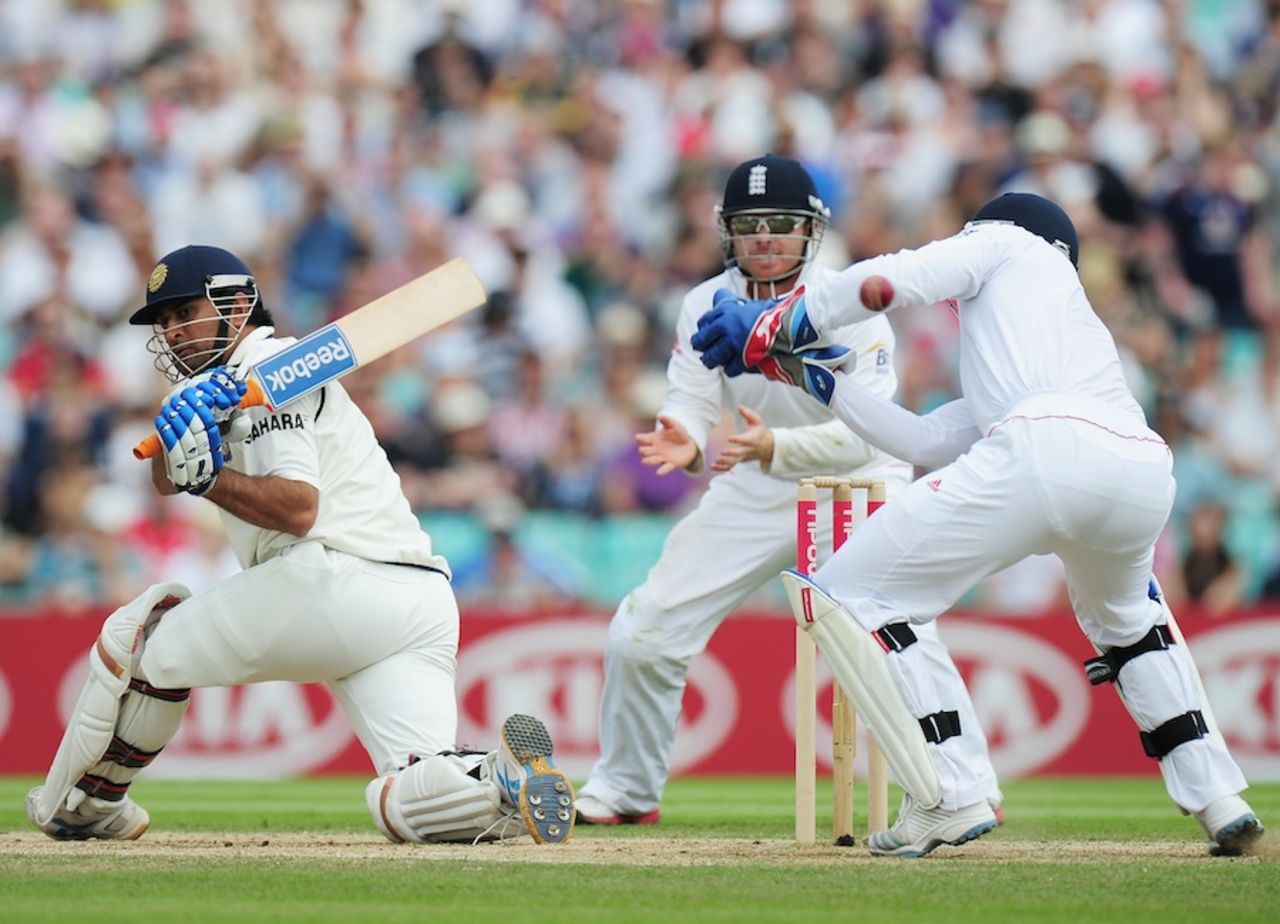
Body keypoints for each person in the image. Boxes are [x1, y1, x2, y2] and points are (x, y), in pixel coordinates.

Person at [691, 192, 1265, 858]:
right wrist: (810, 377)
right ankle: (1220, 799)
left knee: (849, 591)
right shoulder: (1060, 344)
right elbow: (924, 440)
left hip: (1043, 451)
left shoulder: (1008, 243)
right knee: (1131, 625)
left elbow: (887, 282)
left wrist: (774, 322)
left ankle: (952, 791)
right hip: (1137, 471)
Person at [25, 244, 575, 846]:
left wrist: (207, 479)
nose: (171, 332)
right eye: (164, 322)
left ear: (236, 305)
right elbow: (165, 475)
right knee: (402, 795)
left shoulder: (276, 366)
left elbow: (298, 509)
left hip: (337, 579)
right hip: (418, 602)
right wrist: (180, 433)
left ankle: (84, 806)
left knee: (145, 639)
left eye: (184, 313)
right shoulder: (221, 386)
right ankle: (496, 781)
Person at [575, 155, 1000, 826]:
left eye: (781, 224)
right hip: (754, 478)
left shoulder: (853, 300)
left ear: (811, 231)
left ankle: (966, 783)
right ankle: (627, 788)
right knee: (645, 629)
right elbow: (689, 397)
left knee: (891, 633)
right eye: (750, 225)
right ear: (728, 232)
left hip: (857, 482)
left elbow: (872, 436)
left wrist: (777, 447)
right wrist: (684, 436)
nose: (766, 237)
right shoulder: (700, 302)